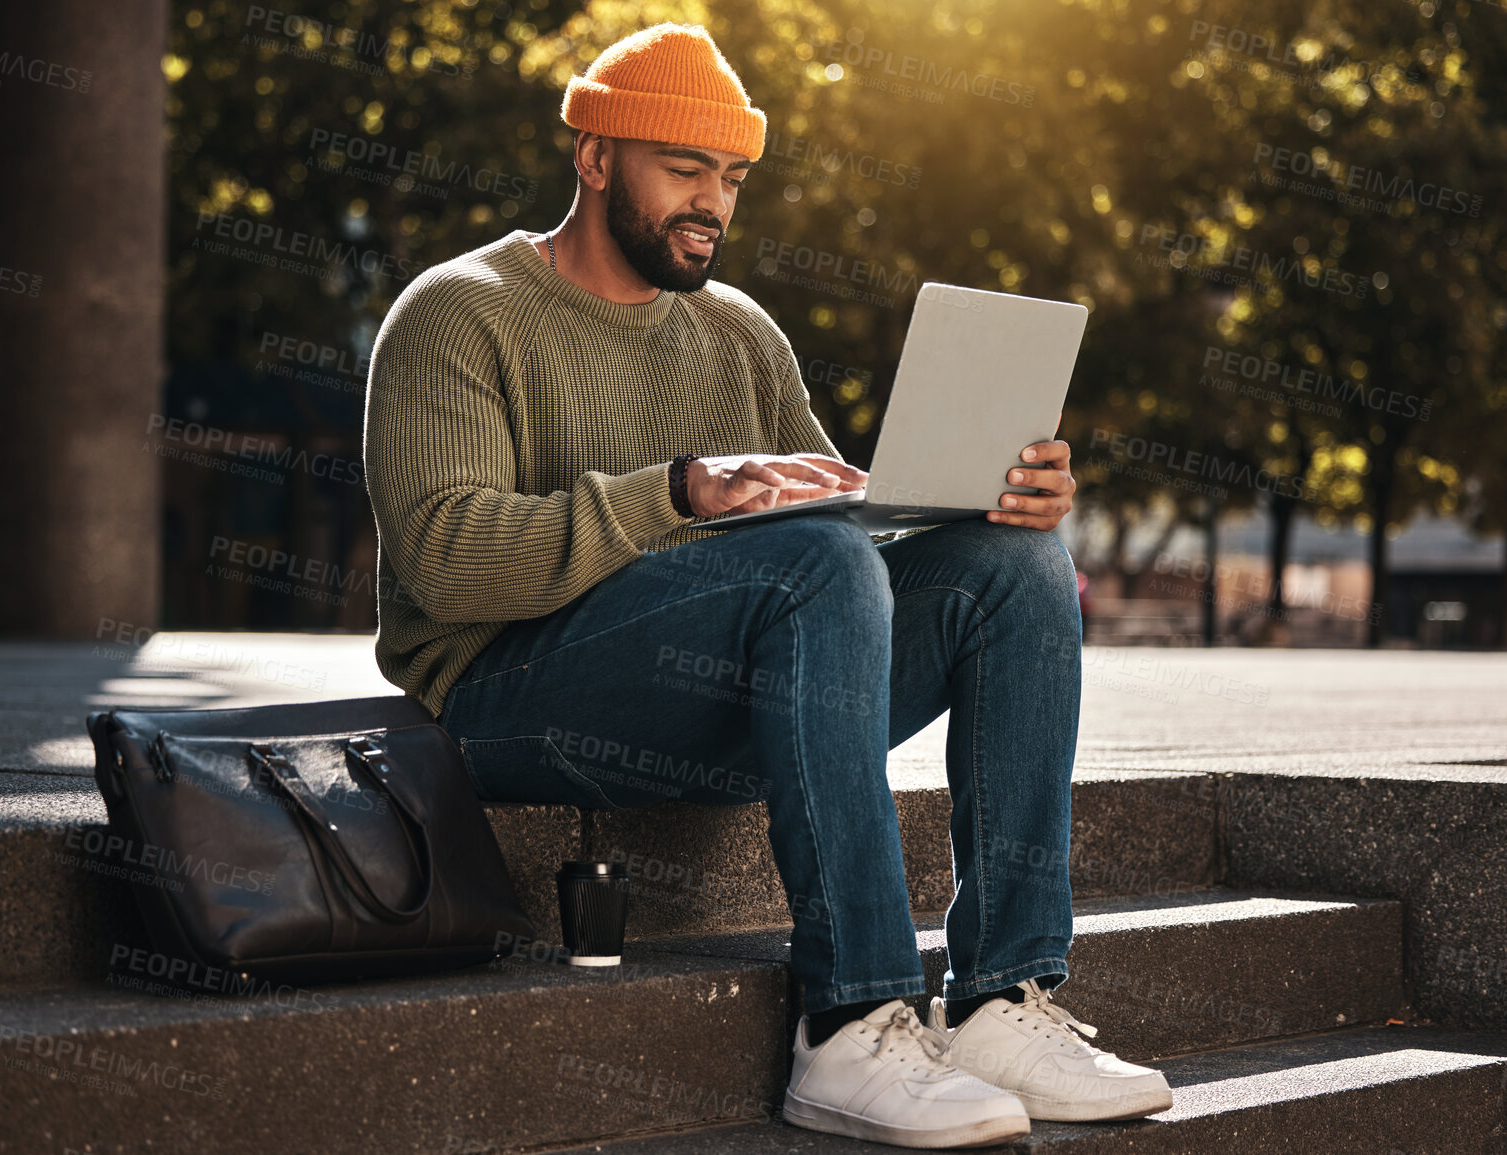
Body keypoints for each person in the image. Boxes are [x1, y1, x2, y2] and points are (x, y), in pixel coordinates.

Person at [363, 23, 1171, 1148]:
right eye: (683, 169)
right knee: (820, 564)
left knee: (1014, 566)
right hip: (505, 702)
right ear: (594, 157)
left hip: (724, 694)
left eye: (733, 178)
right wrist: (680, 492)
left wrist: (977, 499)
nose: (714, 204)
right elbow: (445, 564)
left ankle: (999, 999)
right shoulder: (459, 311)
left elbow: (840, 543)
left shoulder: (740, 333)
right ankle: (852, 1018)